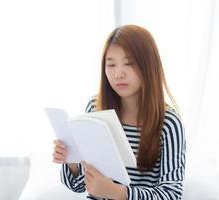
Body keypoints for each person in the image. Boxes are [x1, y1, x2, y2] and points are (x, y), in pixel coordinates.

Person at [52, 24, 186, 200]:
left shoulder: (168, 123)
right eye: (111, 64)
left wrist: (117, 192)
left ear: (148, 66)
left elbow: (172, 194)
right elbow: (78, 186)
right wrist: (71, 160)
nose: (118, 74)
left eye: (129, 63)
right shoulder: (95, 108)